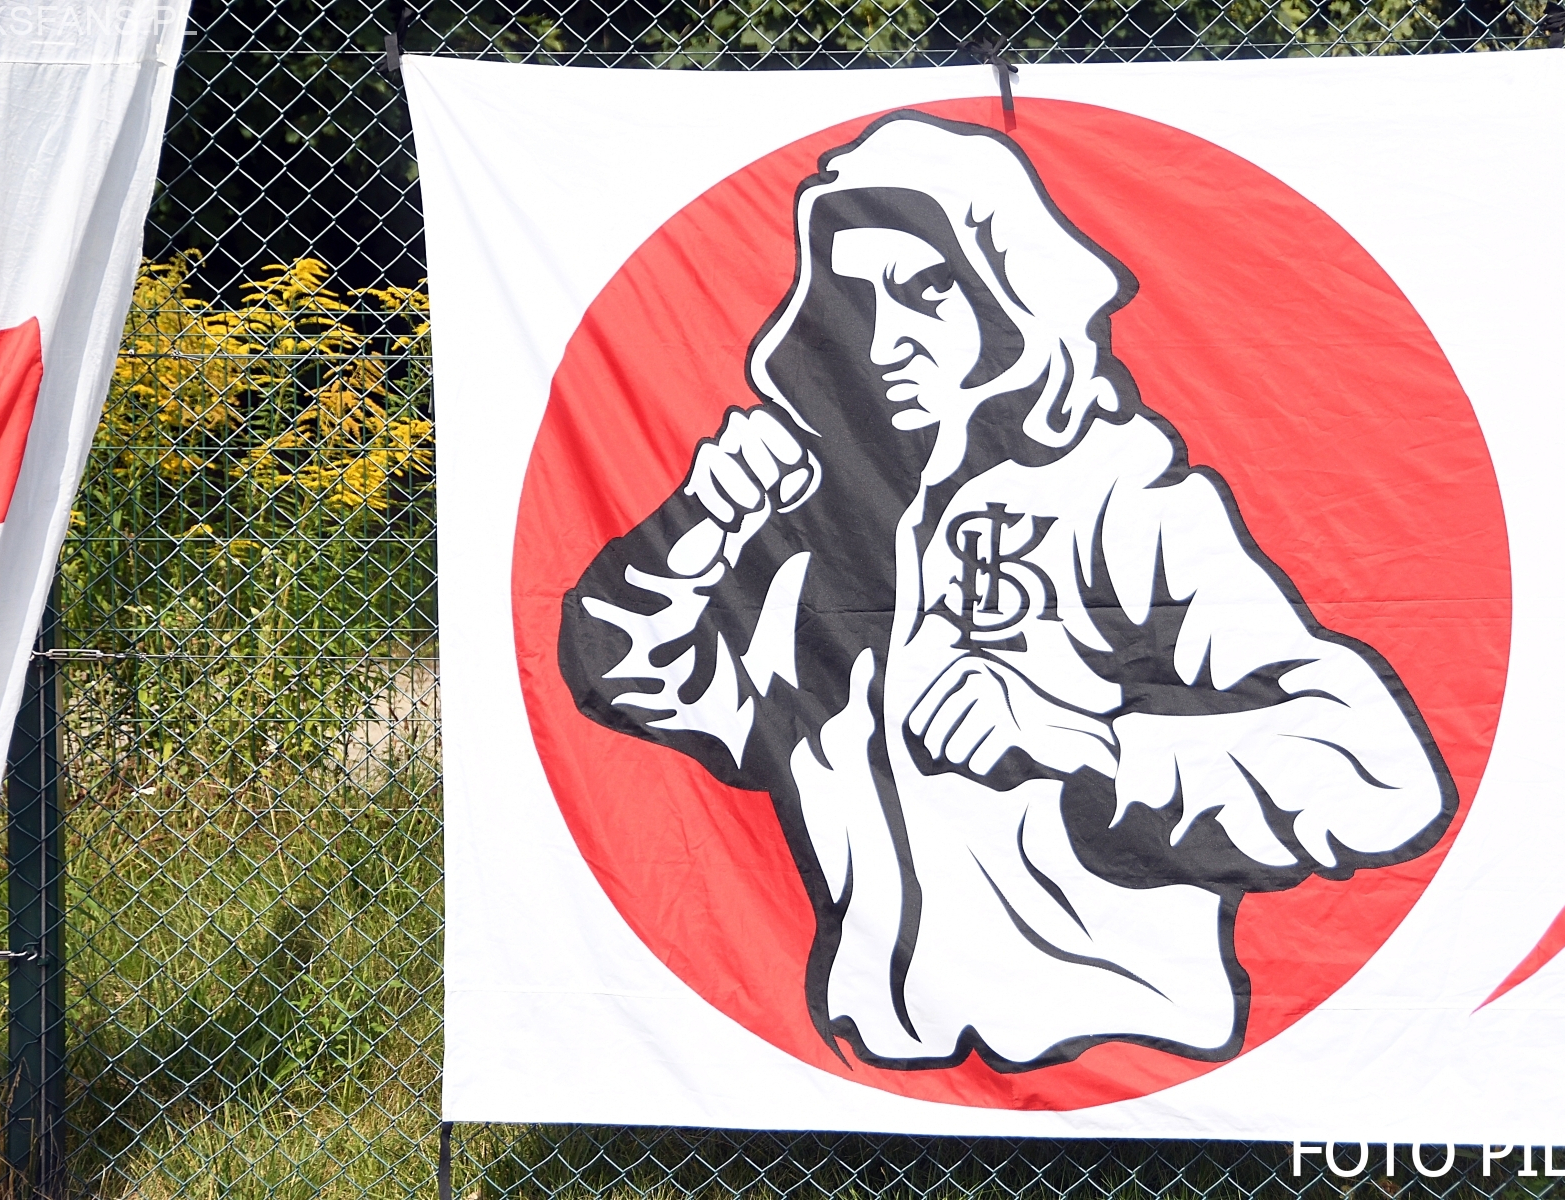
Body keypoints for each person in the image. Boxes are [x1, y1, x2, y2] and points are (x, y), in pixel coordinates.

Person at [559, 111, 1455, 1070]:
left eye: (926, 291)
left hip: (1127, 1061)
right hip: (872, 1085)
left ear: (1011, 297)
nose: (884, 341)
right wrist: (699, 522)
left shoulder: (1120, 496)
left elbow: (1380, 772)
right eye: (855, 300)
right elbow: (617, 676)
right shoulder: (810, 534)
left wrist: (1089, 744)